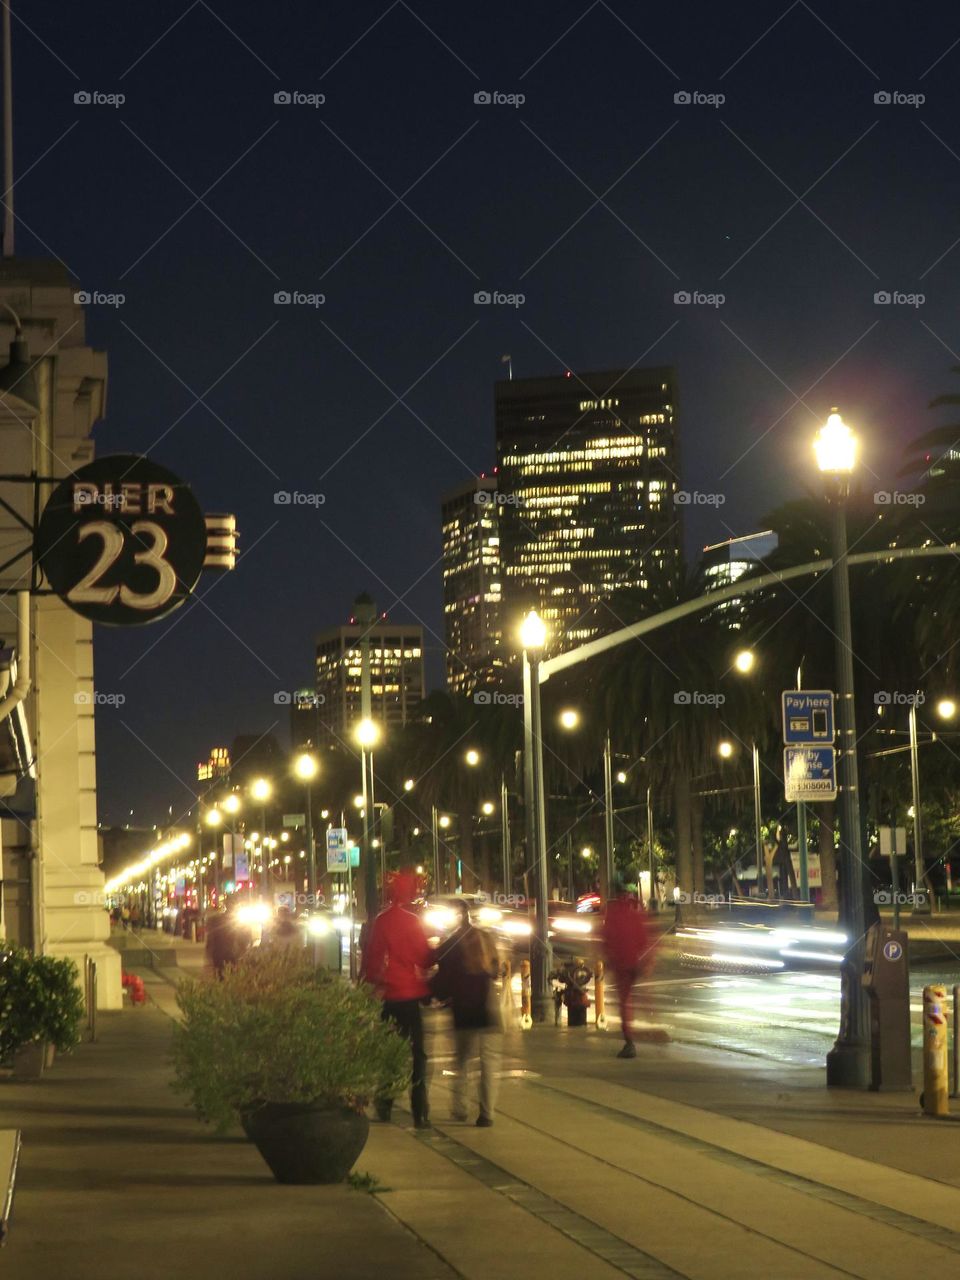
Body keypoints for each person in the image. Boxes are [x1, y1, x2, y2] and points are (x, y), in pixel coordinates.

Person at [360, 868, 433, 1128]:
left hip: (389, 996)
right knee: (418, 1055)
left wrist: (369, 985)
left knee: (390, 1051)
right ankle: (419, 1109)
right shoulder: (413, 921)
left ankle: (386, 1102)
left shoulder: (381, 921)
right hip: (411, 995)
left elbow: (372, 960)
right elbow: (424, 956)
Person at [432, 901, 502, 1127]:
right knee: (489, 1063)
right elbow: (495, 970)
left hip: (463, 1010)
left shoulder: (452, 944)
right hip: (488, 1008)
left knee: (462, 1061)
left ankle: (460, 1108)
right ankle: (487, 1113)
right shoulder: (484, 938)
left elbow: (440, 974)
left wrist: (432, 994)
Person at [602, 876, 654, 1058]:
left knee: (625, 1002)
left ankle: (629, 1041)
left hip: (622, 963)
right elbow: (644, 938)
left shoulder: (614, 912)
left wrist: (608, 958)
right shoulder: (636, 910)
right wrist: (646, 961)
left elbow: (607, 937)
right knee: (629, 999)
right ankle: (647, 1015)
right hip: (634, 961)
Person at [205, 897, 250, 977]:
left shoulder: (216, 919)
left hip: (221, 953)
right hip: (230, 953)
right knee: (231, 976)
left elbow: (211, 939)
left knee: (221, 977)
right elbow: (245, 940)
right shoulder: (239, 921)